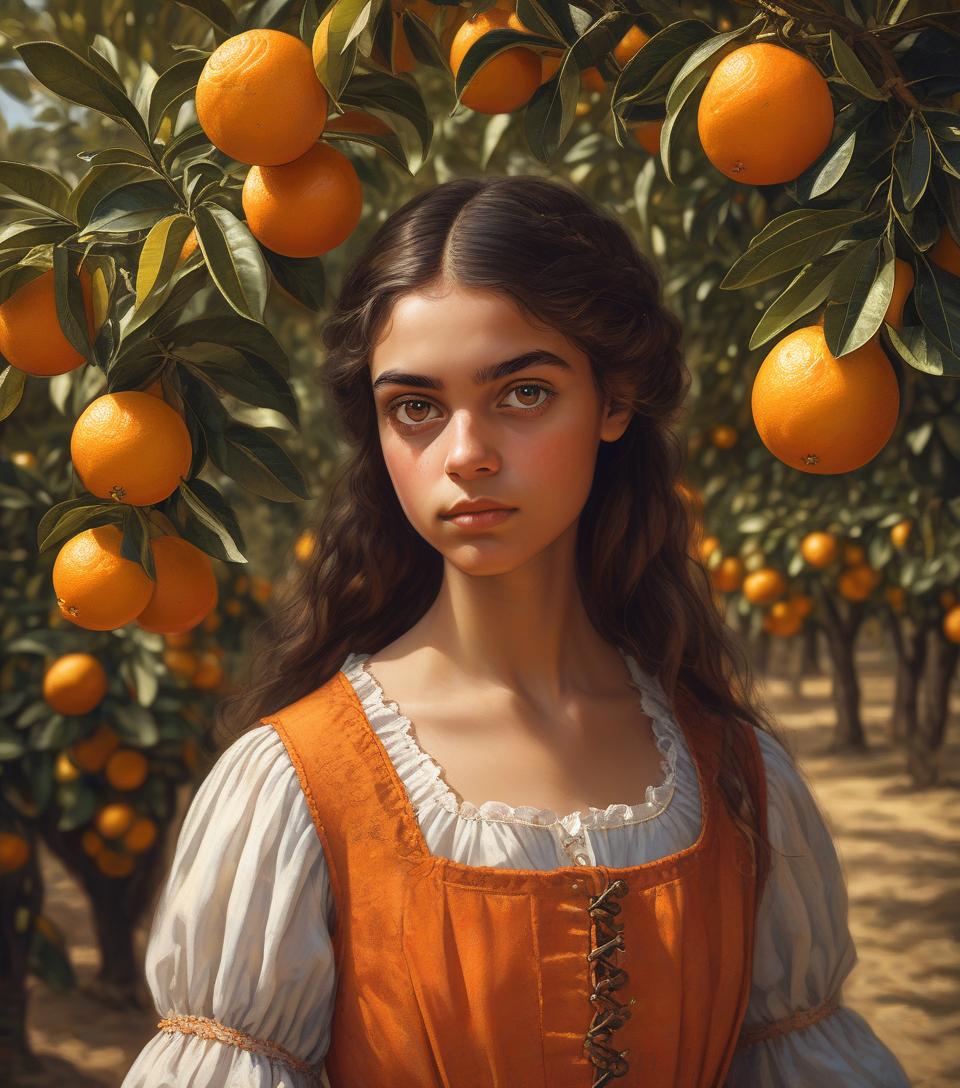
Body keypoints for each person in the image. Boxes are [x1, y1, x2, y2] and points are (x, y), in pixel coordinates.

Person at [121, 175, 911, 1087]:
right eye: (414, 407)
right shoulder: (297, 789)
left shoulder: (738, 778)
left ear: (613, 403)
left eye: (523, 393)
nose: (467, 454)